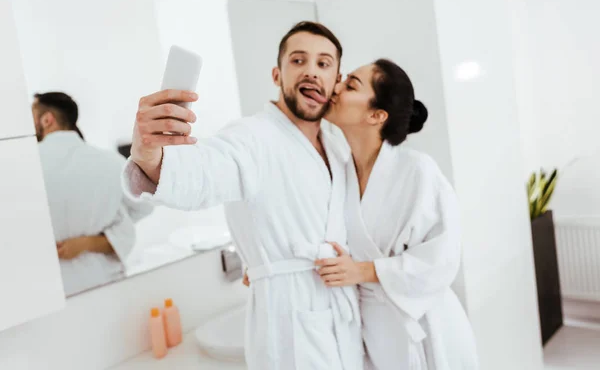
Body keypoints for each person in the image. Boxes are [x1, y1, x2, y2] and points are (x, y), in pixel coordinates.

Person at [122, 22, 363, 370]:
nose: (311, 71)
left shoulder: (337, 145)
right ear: (277, 74)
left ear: (336, 80)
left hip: (342, 316)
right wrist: (149, 155)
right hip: (289, 325)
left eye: (324, 64)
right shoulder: (251, 138)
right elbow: (203, 172)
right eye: (298, 60)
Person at [314, 59, 479, 369]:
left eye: (350, 85)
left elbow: (442, 260)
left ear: (376, 115)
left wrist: (363, 271)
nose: (335, 87)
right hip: (375, 330)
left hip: (427, 327)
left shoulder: (418, 170)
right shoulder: (338, 172)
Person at [32, 92, 153, 296]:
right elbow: (145, 206)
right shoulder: (110, 162)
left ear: (47, 119)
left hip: (50, 294)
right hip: (106, 285)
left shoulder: (25, 168)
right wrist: (96, 238)